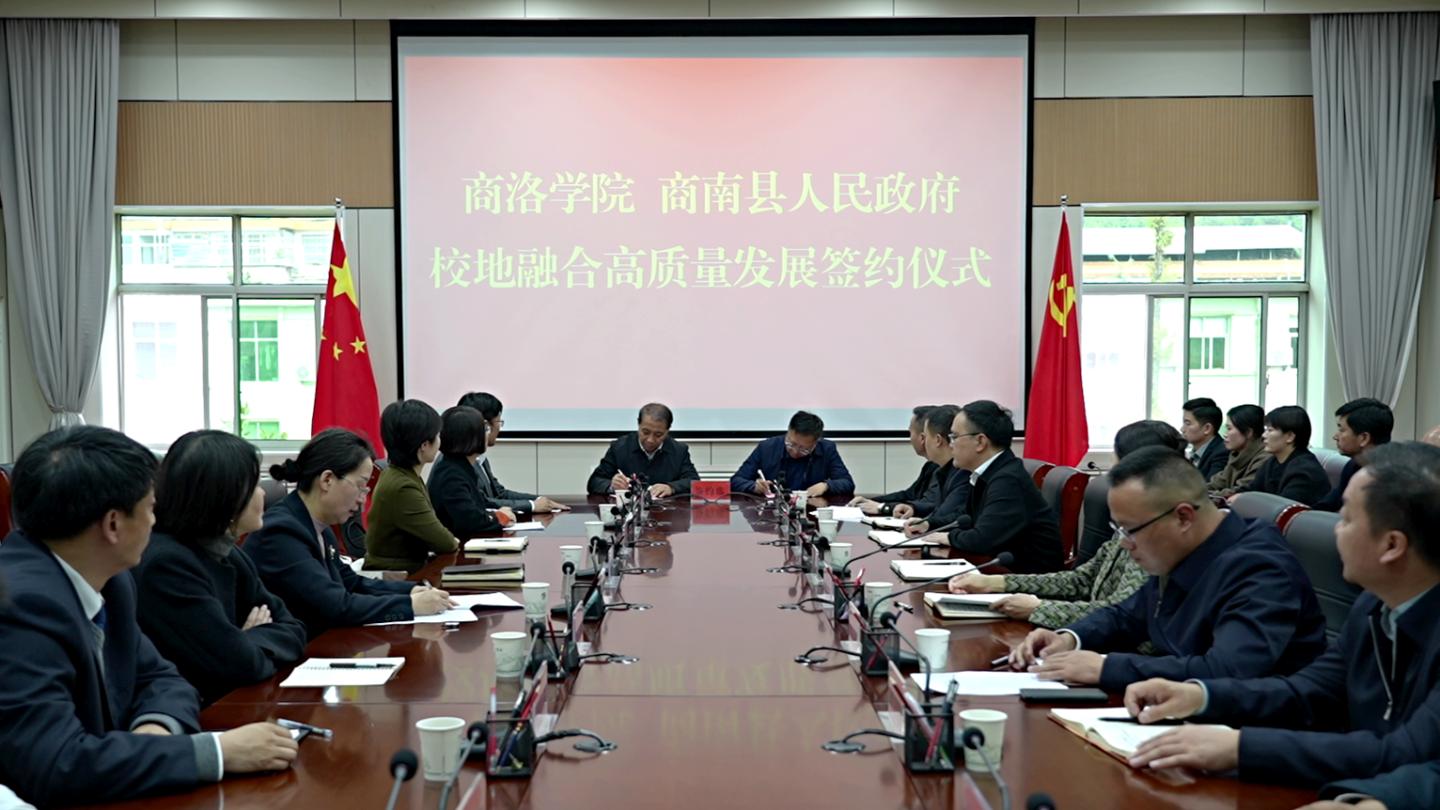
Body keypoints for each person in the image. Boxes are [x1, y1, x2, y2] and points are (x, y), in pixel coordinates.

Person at [0, 426, 297, 807]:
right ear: (113, 525)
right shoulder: (19, 606)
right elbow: (58, 765)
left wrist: (154, 734)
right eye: (150, 507)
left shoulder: (112, 581)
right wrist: (217, 752)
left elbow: (164, 679)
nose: (156, 522)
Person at [1123, 442, 1440, 790]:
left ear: (1392, 546)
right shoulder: (1374, 605)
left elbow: (1405, 752)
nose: (1336, 529)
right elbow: (1308, 690)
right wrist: (1201, 696)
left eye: (1347, 518)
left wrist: (1241, 749)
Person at [1011, 446, 1326, 690]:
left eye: (1130, 530)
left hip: (1248, 733)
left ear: (1183, 517)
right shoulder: (1189, 547)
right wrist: (1070, 638)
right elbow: (1128, 615)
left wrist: (1107, 668)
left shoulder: (1260, 569)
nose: (1124, 544)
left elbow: (1226, 671)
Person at [133, 431, 307, 705]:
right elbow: (240, 664)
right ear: (224, 496)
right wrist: (244, 642)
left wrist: (246, 639)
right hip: (196, 713)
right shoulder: (167, 565)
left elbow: (294, 627)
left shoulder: (228, 552)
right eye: (254, 486)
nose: (263, 493)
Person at [947, 419, 1170, 628]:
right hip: (1090, 631)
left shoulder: (1158, 537)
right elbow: (1081, 581)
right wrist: (996, 582)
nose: (1111, 474)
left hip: (1113, 646)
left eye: (1115, 464)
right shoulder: (1129, 524)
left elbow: (1123, 616)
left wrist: (1039, 609)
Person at [245, 428, 454, 639]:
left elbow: (351, 583)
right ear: (327, 480)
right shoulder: (281, 533)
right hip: (297, 648)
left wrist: (410, 590)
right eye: (361, 486)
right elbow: (335, 605)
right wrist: (409, 605)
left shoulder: (319, 526)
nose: (363, 499)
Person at [920, 400, 1062, 573]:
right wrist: (929, 524)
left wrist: (948, 537)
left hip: (1029, 581)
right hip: (1000, 571)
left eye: (955, 437)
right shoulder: (989, 472)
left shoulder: (1008, 480)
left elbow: (982, 539)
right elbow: (965, 517)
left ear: (980, 442)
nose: (950, 444)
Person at [364, 400, 460, 572]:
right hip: (399, 575)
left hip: (410, 569)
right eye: (437, 435)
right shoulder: (403, 487)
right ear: (424, 445)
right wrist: (452, 540)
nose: (440, 441)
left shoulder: (401, 474)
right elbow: (446, 543)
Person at [456, 392, 568, 515]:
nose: (499, 429)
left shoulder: (480, 458)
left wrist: (539, 500)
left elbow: (499, 494)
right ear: (484, 425)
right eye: (499, 422)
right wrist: (532, 506)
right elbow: (484, 503)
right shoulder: (460, 463)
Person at [586, 403, 700, 498]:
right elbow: (594, 482)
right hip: (629, 512)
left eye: (658, 434)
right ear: (638, 424)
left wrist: (671, 487)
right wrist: (612, 485)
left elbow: (694, 482)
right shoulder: (619, 447)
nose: (650, 440)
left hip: (666, 512)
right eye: (645, 432)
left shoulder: (679, 451)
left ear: (667, 430)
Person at [731, 411, 855, 498]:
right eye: (791, 444)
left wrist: (826, 486)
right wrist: (753, 486)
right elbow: (735, 481)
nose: (795, 452)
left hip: (810, 511)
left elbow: (847, 483)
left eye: (804, 449)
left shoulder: (827, 449)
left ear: (816, 442)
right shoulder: (767, 447)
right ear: (788, 431)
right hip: (773, 513)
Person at [428, 406, 509, 539]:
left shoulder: (460, 466)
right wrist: (500, 517)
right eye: (485, 429)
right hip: (457, 546)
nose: (488, 433)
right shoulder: (451, 475)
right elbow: (470, 521)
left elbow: (479, 504)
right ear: (471, 438)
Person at [850, 406, 938, 516]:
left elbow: (928, 504)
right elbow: (909, 495)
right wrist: (872, 501)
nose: (910, 439)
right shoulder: (931, 466)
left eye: (910, 433)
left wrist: (882, 507)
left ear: (922, 438)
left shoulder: (945, 469)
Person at [1236, 405, 1331, 506]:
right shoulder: (1272, 462)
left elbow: (1284, 509)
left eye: (1270, 430)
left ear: (1290, 437)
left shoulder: (1305, 471)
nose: (1263, 435)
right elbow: (1252, 489)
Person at [894, 405, 970, 528]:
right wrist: (915, 510)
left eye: (926, 436)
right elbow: (936, 509)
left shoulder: (963, 473)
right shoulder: (942, 470)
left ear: (938, 440)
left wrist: (926, 524)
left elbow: (944, 516)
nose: (923, 442)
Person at [1314, 397, 1393, 512]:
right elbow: (1327, 505)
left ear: (1364, 438)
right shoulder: (1352, 466)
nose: (1335, 436)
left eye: (1342, 430)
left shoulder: (1391, 479)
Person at [1207, 404, 1271, 498]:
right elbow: (1218, 482)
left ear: (1248, 432)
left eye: (1229, 429)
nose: (1225, 434)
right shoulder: (1236, 454)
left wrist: (1204, 495)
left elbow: (1240, 492)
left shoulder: (1264, 458)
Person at [1182, 397, 1228, 481]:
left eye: (1188, 423)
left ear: (1207, 428)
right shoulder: (1193, 453)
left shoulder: (1222, 453)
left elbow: (1210, 485)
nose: (1182, 429)